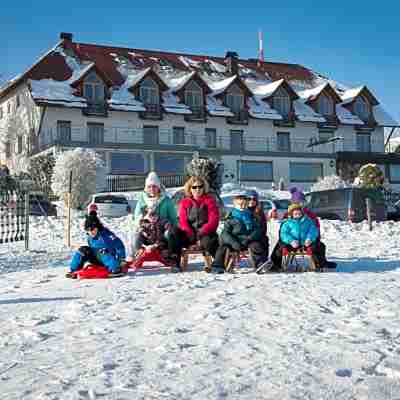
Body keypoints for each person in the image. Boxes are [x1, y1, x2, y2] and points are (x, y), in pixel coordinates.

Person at [270, 188, 336, 270]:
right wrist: (290, 240)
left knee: (320, 246)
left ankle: (321, 263)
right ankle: (275, 264)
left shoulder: (309, 217)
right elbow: (283, 232)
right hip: (292, 242)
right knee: (279, 246)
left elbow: (315, 229)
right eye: (298, 202)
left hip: (307, 241)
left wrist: (311, 239)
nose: (300, 205)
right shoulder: (288, 216)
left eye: (302, 202)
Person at [211, 190, 268, 274]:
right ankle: (217, 266)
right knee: (223, 248)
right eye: (240, 204)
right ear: (234, 205)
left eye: (245, 204)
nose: (242, 206)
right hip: (234, 242)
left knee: (256, 246)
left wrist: (250, 238)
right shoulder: (231, 218)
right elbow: (225, 233)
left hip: (248, 241)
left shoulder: (251, 216)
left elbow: (257, 229)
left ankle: (260, 264)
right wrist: (233, 243)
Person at [127, 171, 178, 262]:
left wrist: (172, 229)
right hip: (147, 231)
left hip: (161, 232)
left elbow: (173, 218)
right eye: (149, 186)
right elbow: (137, 217)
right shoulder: (142, 200)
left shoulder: (166, 201)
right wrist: (142, 222)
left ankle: (170, 254)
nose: (151, 189)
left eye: (154, 186)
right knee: (134, 235)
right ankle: (136, 255)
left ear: (158, 187)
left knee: (170, 234)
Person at [66, 210, 126, 278]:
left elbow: (119, 245)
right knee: (82, 250)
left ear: (97, 227)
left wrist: (121, 260)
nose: (91, 232)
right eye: (88, 230)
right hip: (97, 259)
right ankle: (74, 270)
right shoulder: (90, 237)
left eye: (92, 229)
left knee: (102, 251)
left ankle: (115, 269)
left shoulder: (107, 235)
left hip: (109, 259)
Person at [177, 176, 219, 260]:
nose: (197, 189)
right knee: (174, 233)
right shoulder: (185, 202)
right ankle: (175, 260)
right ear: (190, 188)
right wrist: (190, 233)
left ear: (204, 188)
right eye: (194, 187)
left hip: (205, 233)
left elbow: (214, 220)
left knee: (209, 241)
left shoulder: (209, 201)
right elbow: (182, 221)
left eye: (200, 186)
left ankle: (218, 262)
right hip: (189, 235)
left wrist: (201, 232)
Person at [275, 203, 325, 269]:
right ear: (292, 214)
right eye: (296, 214)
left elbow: (313, 230)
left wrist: (309, 238)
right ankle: (276, 265)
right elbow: (284, 233)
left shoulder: (308, 221)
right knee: (280, 248)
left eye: (299, 213)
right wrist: (291, 241)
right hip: (292, 244)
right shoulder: (287, 223)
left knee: (320, 246)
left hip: (305, 243)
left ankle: (319, 264)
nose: (298, 215)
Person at [247, 189, 271, 273]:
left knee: (264, 240)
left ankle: (264, 262)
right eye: (249, 199)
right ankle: (260, 264)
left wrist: (261, 234)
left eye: (254, 199)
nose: (252, 201)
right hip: (248, 236)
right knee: (255, 244)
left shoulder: (259, 211)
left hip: (258, 234)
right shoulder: (244, 211)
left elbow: (263, 226)